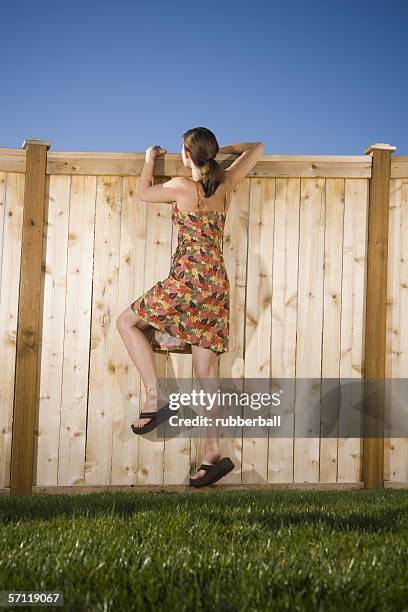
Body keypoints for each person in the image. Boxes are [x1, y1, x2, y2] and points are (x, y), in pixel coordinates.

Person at [116, 127, 264, 486]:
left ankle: (156, 397)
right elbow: (257, 146)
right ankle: (212, 452)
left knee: (126, 323)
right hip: (215, 285)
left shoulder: (182, 187)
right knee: (207, 373)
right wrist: (219, 152)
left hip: (186, 282)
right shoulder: (225, 184)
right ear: (209, 154)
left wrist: (150, 159)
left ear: (185, 154)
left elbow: (142, 193)